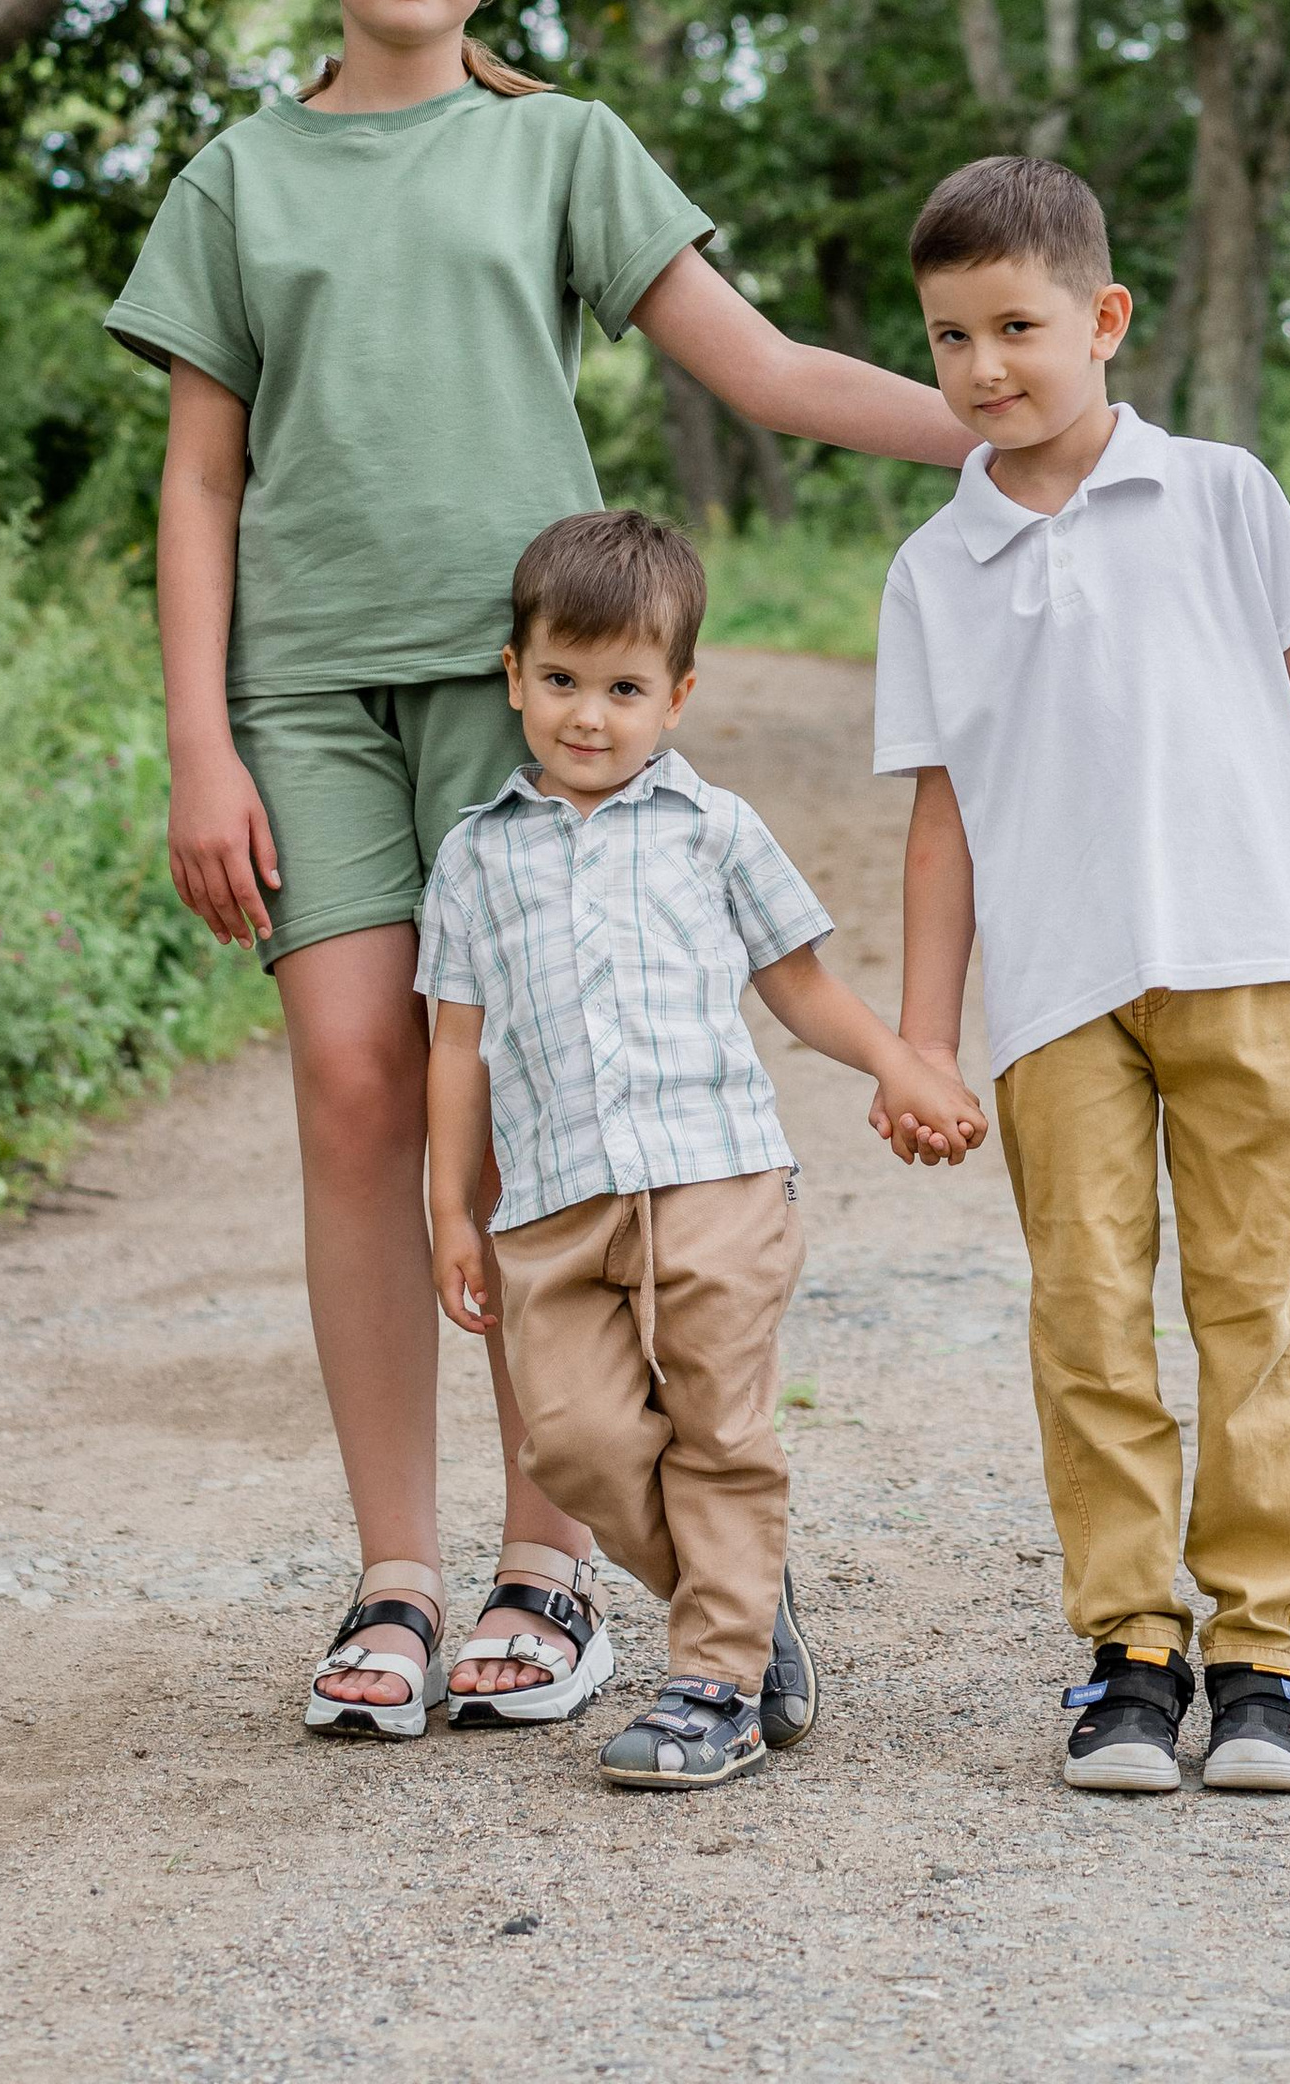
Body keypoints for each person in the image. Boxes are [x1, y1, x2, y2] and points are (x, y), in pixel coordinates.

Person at [103, 0, 970, 1736]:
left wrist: (998, 422)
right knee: (352, 1086)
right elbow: (198, 479)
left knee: (503, 1110)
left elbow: (754, 368)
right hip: (310, 697)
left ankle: (544, 1561)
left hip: (528, 696)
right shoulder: (234, 183)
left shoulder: (559, 148)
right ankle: (393, 1573)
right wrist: (196, 747)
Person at [870, 153, 1290, 1799]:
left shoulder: (1223, 496)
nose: (983, 366)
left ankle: (1262, 1652)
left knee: (1267, 1313)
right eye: (948, 336)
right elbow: (939, 829)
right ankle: (1129, 1646)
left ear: (1106, 318)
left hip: (1257, 961)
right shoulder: (935, 570)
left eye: (1018, 326)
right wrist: (920, 1037)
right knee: (1088, 1320)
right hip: (1055, 1005)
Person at [422, 508, 986, 1788]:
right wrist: (452, 1211)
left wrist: (902, 1060)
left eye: (624, 688)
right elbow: (455, 1050)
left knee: (720, 1426)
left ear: (675, 696)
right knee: (570, 1441)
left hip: (717, 1173)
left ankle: (712, 1685)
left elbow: (798, 987)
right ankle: (742, 1597)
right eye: (560, 681)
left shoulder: (713, 828)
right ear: (513, 676)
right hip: (556, 1204)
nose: (587, 716)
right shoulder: (473, 858)